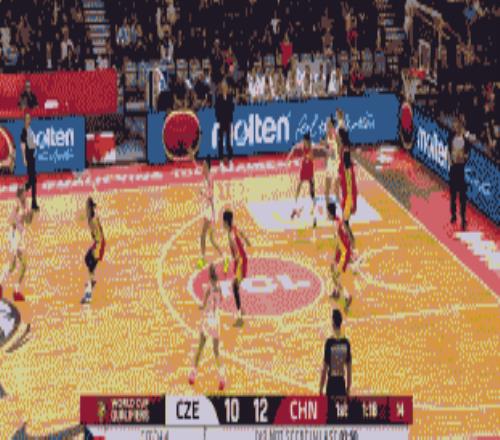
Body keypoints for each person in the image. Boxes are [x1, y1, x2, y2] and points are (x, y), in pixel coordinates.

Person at [188, 264, 225, 391]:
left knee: (200, 347)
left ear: (209, 275)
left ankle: (193, 375)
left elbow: (203, 304)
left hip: (208, 320)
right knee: (216, 351)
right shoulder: (219, 287)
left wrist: (200, 306)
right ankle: (222, 377)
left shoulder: (208, 287)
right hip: (216, 320)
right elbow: (221, 301)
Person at [0, 186, 32, 302]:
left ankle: (16, 290)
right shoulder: (16, 204)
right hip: (14, 235)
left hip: (20, 236)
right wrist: (18, 220)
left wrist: (29, 214)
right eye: (24, 193)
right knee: (13, 264)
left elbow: (28, 221)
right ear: (20, 195)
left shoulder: (26, 204)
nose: (26, 195)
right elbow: (10, 220)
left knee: (23, 263)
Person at [319, 309, 352, 422]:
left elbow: (325, 368)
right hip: (341, 384)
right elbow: (349, 369)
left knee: (330, 417)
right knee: (341, 418)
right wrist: (348, 388)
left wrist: (320, 388)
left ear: (333, 322)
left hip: (331, 384)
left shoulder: (329, 343)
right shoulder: (346, 343)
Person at [196, 158, 228, 272]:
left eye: (204, 165)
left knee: (203, 235)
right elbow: (196, 166)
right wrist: (191, 157)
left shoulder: (209, 179)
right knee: (212, 239)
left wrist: (202, 193)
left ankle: (203, 258)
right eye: (202, 165)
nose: (202, 167)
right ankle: (224, 257)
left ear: (208, 168)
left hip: (210, 210)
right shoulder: (205, 177)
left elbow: (210, 197)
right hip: (207, 209)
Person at [223, 210, 250, 327]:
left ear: (225, 222)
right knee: (236, 286)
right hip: (241, 260)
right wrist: (247, 242)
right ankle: (241, 311)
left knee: (234, 287)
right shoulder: (234, 229)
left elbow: (236, 252)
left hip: (240, 261)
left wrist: (235, 263)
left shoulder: (230, 235)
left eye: (223, 222)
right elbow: (242, 234)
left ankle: (240, 318)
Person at [287, 132, 318, 228]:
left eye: (305, 141)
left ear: (308, 141)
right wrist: (289, 157)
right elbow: (294, 148)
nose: (303, 142)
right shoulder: (302, 145)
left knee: (312, 192)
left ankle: (314, 215)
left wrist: (308, 155)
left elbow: (312, 157)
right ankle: (294, 206)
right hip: (303, 169)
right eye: (303, 141)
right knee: (298, 187)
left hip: (310, 170)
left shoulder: (312, 147)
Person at [326, 203, 353, 312]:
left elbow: (338, 241)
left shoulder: (335, 224)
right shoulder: (338, 220)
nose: (326, 214)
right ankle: (336, 292)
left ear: (330, 213)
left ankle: (347, 296)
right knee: (332, 269)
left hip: (343, 253)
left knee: (335, 276)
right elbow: (346, 235)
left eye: (327, 212)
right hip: (342, 250)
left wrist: (337, 256)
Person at [81, 197, 105, 304]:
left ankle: (88, 296)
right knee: (87, 259)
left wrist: (96, 250)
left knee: (91, 268)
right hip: (97, 243)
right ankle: (91, 281)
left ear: (90, 208)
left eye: (87, 207)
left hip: (99, 245)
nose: (86, 210)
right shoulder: (92, 218)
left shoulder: (93, 220)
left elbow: (99, 236)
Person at [448, 119, 470, 230]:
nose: (455, 127)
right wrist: (450, 162)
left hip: (460, 169)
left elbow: (467, 155)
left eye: (458, 126)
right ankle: (453, 215)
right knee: (452, 195)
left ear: (461, 127)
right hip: (453, 169)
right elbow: (449, 152)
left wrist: (463, 158)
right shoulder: (451, 138)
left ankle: (463, 218)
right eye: (455, 125)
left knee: (462, 197)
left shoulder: (465, 141)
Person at [320, 116, 341, 204]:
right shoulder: (325, 136)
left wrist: (338, 158)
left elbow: (340, 148)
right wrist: (327, 151)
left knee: (337, 183)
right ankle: (327, 199)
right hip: (329, 163)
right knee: (328, 182)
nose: (327, 125)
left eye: (328, 124)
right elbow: (322, 146)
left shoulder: (336, 136)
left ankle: (338, 197)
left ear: (332, 126)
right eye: (327, 124)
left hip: (336, 162)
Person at [21, 113, 39, 211]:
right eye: (27, 118)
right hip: (28, 157)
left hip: (32, 157)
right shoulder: (24, 132)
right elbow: (23, 146)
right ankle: (33, 202)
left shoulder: (30, 130)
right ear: (24, 120)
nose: (28, 120)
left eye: (29, 118)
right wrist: (24, 158)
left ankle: (25, 189)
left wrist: (35, 147)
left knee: (33, 180)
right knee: (33, 180)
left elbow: (33, 142)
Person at [215, 81, 235, 164]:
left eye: (225, 86)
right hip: (221, 121)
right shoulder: (219, 97)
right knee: (220, 141)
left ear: (227, 87)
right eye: (223, 86)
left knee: (228, 141)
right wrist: (218, 120)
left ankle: (230, 158)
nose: (224, 88)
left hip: (228, 121)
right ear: (221, 88)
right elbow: (217, 110)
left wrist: (230, 120)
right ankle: (220, 159)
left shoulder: (230, 97)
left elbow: (232, 108)